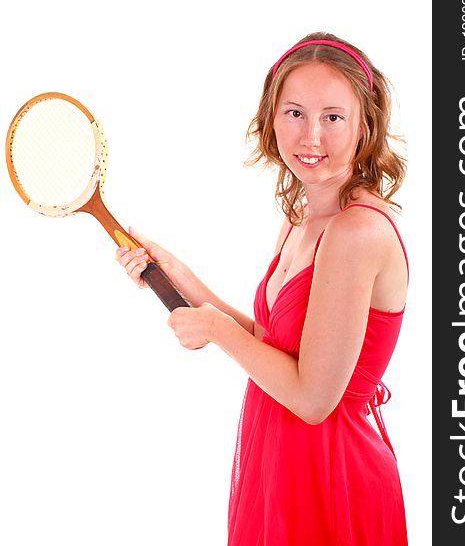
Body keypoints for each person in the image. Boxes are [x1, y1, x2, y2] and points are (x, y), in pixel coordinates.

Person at [116, 32, 409, 545]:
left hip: (333, 478)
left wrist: (215, 330)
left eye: (332, 117)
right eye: (294, 113)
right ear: (272, 120)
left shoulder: (356, 232)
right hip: (280, 463)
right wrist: (177, 272)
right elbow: (275, 347)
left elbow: (313, 398)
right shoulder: (303, 215)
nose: (310, 136)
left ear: (365, 128)